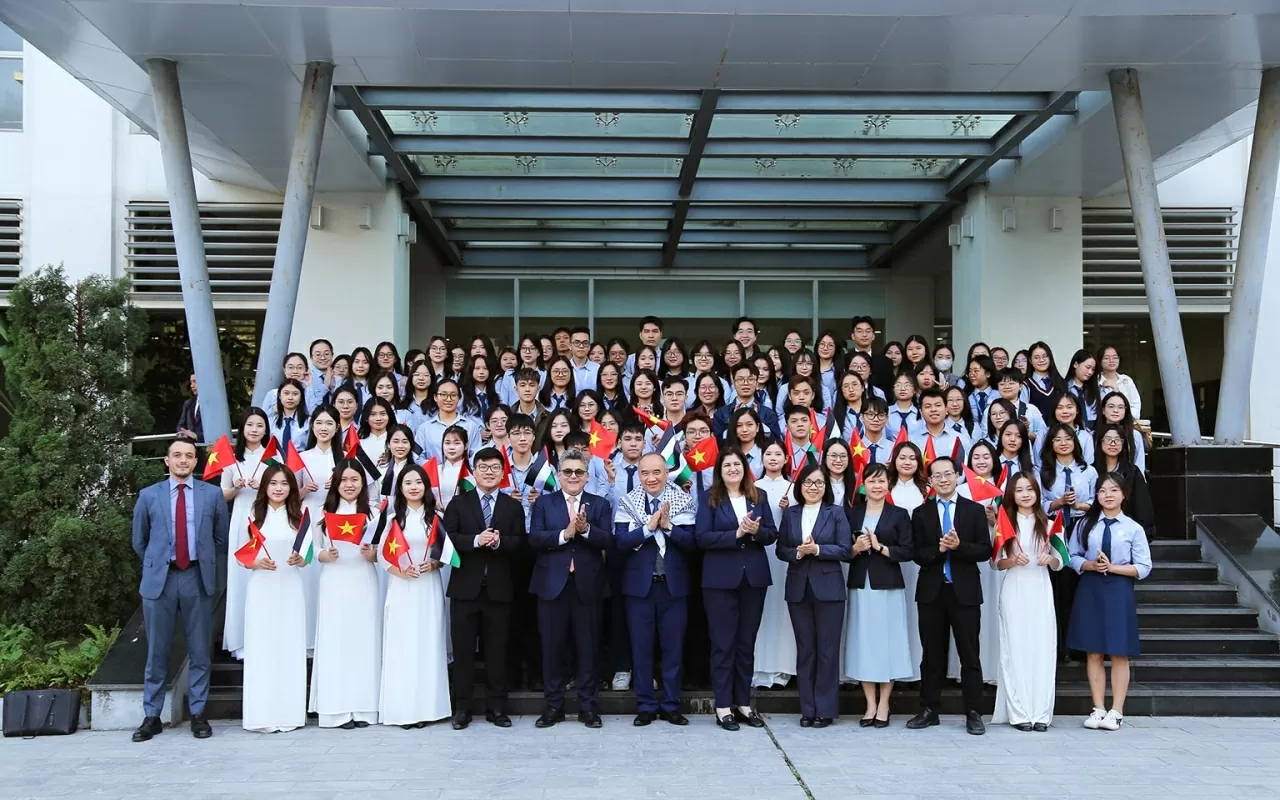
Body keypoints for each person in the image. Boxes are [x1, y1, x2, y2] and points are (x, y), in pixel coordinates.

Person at [131, 437, 229, 742]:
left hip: (196, 578)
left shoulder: (212, 495)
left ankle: (198, 714)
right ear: (167, 460)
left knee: (199, 649)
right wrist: (159, 561)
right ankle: (152, 716)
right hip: (161, 578)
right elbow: (140, 541)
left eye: (188, 456)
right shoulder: (149, 496)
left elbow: (220, 539)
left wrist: (200, 562)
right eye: (177, 455)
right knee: (156, 651)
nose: (183, 460)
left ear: (196, 462)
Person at [528, 450, 615, 728]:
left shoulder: (599, 504)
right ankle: (553, 706)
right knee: (552, 649)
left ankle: (588, 707)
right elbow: (535, 538)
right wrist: (565, 534)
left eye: (579, 472)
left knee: (588, 649)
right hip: (552, 587)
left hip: (587, 587)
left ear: (587, 476)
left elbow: (607, 540)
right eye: (567, 472)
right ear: (558, 475)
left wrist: (585, 528)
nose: (573, 476)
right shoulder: (544, 503)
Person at [444, 447, 527, 729]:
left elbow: (520, 543)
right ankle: (463, 708)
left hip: (500, 590)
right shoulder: (458, 503)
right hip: (465, 589)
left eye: (495, 467)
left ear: (503, 473)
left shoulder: (512, 506)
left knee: (497, 651)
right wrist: (477, 541)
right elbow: (449, 539)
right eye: (483, 467)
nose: (489, 472)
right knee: (464, 652)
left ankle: (497, 708)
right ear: (473, 471)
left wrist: (500, 543)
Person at [907, 456, 991, 736]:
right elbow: (917, 554)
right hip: (932, 592)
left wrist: (959, 546)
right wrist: (940, 550)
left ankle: (974, 711)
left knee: (970, 655)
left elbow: (984, 551)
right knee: (931, 655)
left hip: (964, 592)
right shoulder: (921, 513)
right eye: (936, 475)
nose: (943, 479)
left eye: (948, 474)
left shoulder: (974, 511)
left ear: (958, 476)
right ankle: (929, 709)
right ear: (929, 480)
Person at [695, 448, 778, 730]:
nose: (732, 468)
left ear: (745, 468)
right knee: (723, 644)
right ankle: (722, 707)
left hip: (753, 580)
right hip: (720, 581)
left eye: (737, 464)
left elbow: (771, 534)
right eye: (727, 465)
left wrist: (756, 531)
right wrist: (737, 534)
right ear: (720, 470)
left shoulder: (759, 496)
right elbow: (702, 538)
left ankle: (743, 704)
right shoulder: (710, 498)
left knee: (746, 644)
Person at [615, 452, 698, 727]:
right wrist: (649, 528)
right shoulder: (629, 502)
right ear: (639, 475)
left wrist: (668, 526)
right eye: (645, 473)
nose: (651, 478)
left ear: (665, 473)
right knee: (641, 650)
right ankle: (646, 706)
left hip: (673, 589)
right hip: (640, 590)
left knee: (673, 649)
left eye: (656, 472)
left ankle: (672, 705)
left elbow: (691, 544)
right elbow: (621, 542)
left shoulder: (682, 500)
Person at [1067, 473, 1151, 731]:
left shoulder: (1133, 528)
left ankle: (1117, 710)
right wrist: (1090, 564)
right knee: (1093, 650)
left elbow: (1144, 566)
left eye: (1114, 490)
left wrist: (1113, 568)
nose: (1108, 495)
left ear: (1123, 495)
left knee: (1118, 651)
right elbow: (1072, 555)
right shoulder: (1086, 524)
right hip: (1091, 586)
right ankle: (1098, 707)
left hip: (1118, 588)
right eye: (1102, 491)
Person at [776, 463, 852, 728]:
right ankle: (807, 709)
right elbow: (781, 549)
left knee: (828, 651)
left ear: (826, 487)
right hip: (798, 589)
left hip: (829, 590)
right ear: (800, 486)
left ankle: (826, 710)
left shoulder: (836, 513)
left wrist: (817, 550)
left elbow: (845, 550)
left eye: (819, 483)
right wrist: (798, 552)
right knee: (806, 650)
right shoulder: (791, 514)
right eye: (808, 482)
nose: (813, 487)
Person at [309, 459, 381, 729]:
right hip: (334, 582)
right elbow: (310, 547)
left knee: (364, 641)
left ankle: (365, 708)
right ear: (335, 483)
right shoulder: (321, 511)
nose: (349, 485)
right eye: (344, 480)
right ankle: (335, 710)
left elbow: (384, 550)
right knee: (336, 641)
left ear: (363, 483)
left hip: (364, 580)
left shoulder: (374, 512)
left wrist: (372, 554)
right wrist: (323, 554)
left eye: (355, 480)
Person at [379, 464, 452, 728]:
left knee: (427, 644)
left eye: (418, 482)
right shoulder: (392, 519)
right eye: (408, 482)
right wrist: (399, 571)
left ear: (426, 487)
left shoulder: (435, 518)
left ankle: (429, 709)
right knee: (403, 645)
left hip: (428, 586)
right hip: (402, 587)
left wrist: (434, 564)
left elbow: (445, 553)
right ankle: (402, 710)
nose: (413, 487)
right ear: (400, 487)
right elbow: (381, 555)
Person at [843, 463, 914, 728]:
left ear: (888, 485)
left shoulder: (899, 515)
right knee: (864, 642)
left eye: (881, 481)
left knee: (888, 643)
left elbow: (908, 551)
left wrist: (880, 547)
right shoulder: (853, 514)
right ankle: (869, 704)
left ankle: (884, 702)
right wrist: (855, 548)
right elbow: (843, 552)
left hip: (888, 586)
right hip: (861, 584)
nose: (876, 486)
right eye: (871, 481)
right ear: (863, 484)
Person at [240, 465, 310, 733]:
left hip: (291, 588)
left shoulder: (300, 517)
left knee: (289, 648)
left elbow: (307, 558)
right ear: (264, 487)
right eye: (273, 483)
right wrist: (257, 563)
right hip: (262, 589)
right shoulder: (253, 516)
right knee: (263, 649)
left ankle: (290, 715)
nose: (279, 488)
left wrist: (300, 559)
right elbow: (242, 556)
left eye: (284, 483)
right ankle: (261, 715)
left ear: (292, 487)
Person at [991, 473, 1062, 732]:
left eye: (1029, 489)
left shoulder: (1051, 523)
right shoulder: (1005, 524)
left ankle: (1041, 713)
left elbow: (1060, 560)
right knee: (1015, 649)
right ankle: (1019, 712)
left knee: (1042, 649)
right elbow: (996, 563)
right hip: (1014, 589)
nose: (1025, 494)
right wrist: (1012, 561)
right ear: (1012, 494)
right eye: (1019, 490)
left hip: (1040, 588)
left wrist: (1049, 560)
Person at [221, 407, 272, 660]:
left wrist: (262, 486)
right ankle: (239, 640)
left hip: (266, 520)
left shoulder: (273, 458)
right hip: (241, 519)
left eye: (260, 425)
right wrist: (236, 488)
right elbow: (222, 494)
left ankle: (265, 637)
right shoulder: (231, 458)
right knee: (240, 575)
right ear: (243, 428)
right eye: (250, 425)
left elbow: (282, 489)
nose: (255, 430)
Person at [753, 440, 796, 688]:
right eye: (767, 453)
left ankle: (783, 669)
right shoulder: (753, 487)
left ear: (786, 459)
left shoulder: (792, 488)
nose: (772, 458)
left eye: (778, 454)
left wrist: (790, 508)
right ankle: (758, 667)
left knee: (782, 611)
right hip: (759, 553)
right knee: (761, 610)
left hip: (785, 556)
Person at [713, 362, 780, 440]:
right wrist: (734, 422)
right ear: (734, 383)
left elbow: (775, 442)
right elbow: (718, 444)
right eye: (740, 379)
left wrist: (757, 420)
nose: (745, 383)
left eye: (750, 379)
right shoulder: (721, 414)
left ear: (757, 383)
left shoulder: (768, 414)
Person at [847, 316, 893, 395]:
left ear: (873, 336)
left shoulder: (885, 362)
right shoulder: (844, 360)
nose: (864, 335)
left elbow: (889, 391)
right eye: (859, 331)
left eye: (868, 331)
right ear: (853, 336)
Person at [1097, 345, 1142, 420]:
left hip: (1125, 425)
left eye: (1115, 357)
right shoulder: (1096, 381)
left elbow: (1136, 406)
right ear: (1100, 361)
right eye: (1106, 358)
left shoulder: (1126, 380)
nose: (1111, 360)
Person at [176, 373, 202, 441]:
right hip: (191, 446)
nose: (191, 386)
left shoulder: (214, 404)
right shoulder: (188, 403)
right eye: (191, 382)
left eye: (195, 382)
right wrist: (182, 433)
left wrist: (197, 436)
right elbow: (181, 425)